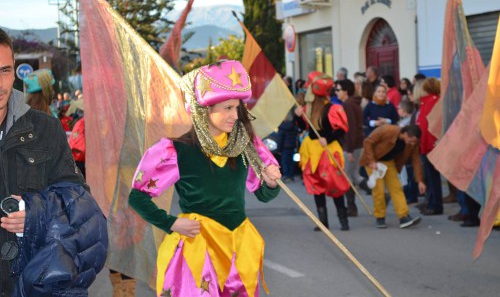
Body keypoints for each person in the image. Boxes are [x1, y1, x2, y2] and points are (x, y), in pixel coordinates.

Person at [128, 60, 282, 297]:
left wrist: (271, 183)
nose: (235, 115)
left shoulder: (243, 146)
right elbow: (137, 196)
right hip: (198, 251)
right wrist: (171, 223)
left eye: (237, 107)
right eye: (227, 108)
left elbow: (262, 194)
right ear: (204, 109)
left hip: (237, 250)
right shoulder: (176, 150)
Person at [0, 28, 107, 295]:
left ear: (14, 70)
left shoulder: (46, 128)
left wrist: (37, 215)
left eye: (4, 70)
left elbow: (80, 205)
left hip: (33, 282)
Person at [296, 75, 350, 231]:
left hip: (328, 150)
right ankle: (322, 222)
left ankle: (343, 220)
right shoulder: (309, 109)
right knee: (316, 185)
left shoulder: (333, 109)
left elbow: (341, 129)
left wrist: (329, 138)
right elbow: (303, 127)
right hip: (312, 150)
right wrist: (299, 117)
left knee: (335, 184)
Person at [359, 125, 425, 229]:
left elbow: (416, 160)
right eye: (411, 140)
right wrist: (371, 160)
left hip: (389, 162)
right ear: (405, 134)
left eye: (414, 141)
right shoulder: (387, 130)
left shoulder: (413, 143)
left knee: (397, 188)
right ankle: (380, 217)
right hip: (374, 161)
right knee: (379, 189)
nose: (412, 143)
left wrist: (420, 180)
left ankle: (404, 216)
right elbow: (368, 142)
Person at [336, 79, 367, 216]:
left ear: (345, 91)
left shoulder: (348, 105)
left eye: (338, 90)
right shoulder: (352, 103)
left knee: (348, 176)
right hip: (357, 144)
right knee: (354, 175)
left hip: (353, 146)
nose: (336, 92)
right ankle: (379, 193)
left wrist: (348, 149)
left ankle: (351, 206)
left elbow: (351, 129)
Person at [416, 78, 443, 215]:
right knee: (430, 176)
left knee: (432, 176)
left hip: (430, 144)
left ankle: (435, 204)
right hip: (427, 142)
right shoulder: (430, 101)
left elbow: (429, 126)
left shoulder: (432, 101)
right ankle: (431, 201)